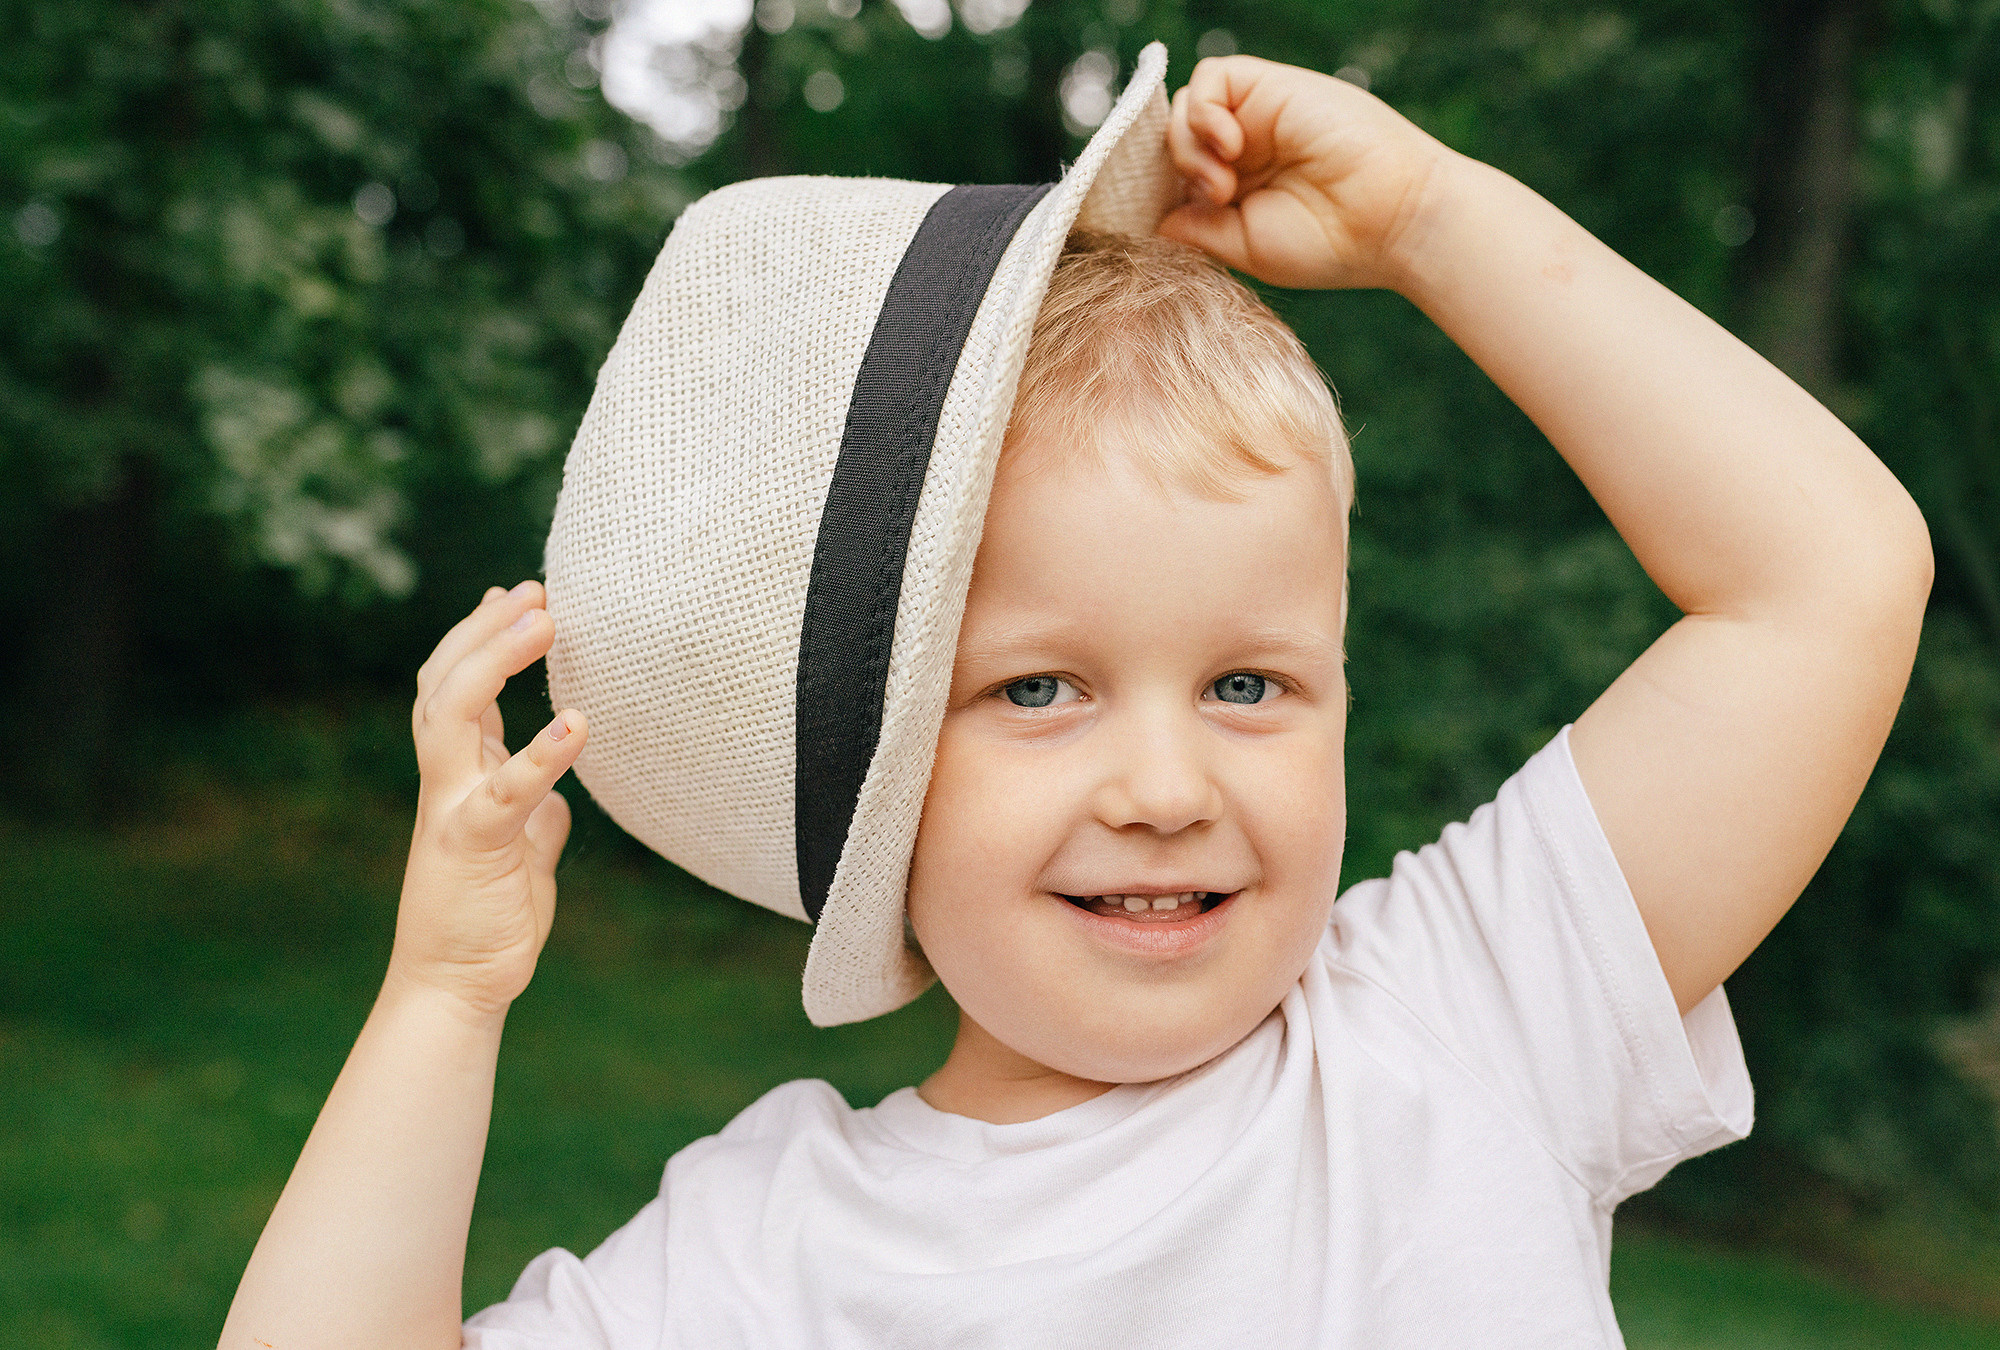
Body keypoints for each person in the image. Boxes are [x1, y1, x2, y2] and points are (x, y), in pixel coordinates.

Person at [218, 49, 1933, 1350]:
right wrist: (442, 1001)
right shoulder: (774, 1248)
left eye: (1250, 680)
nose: (1168, 781)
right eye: (1042, 686)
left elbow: (1828, 581)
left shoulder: (1462, 1020)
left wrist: (1430, 221)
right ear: (879, 770)